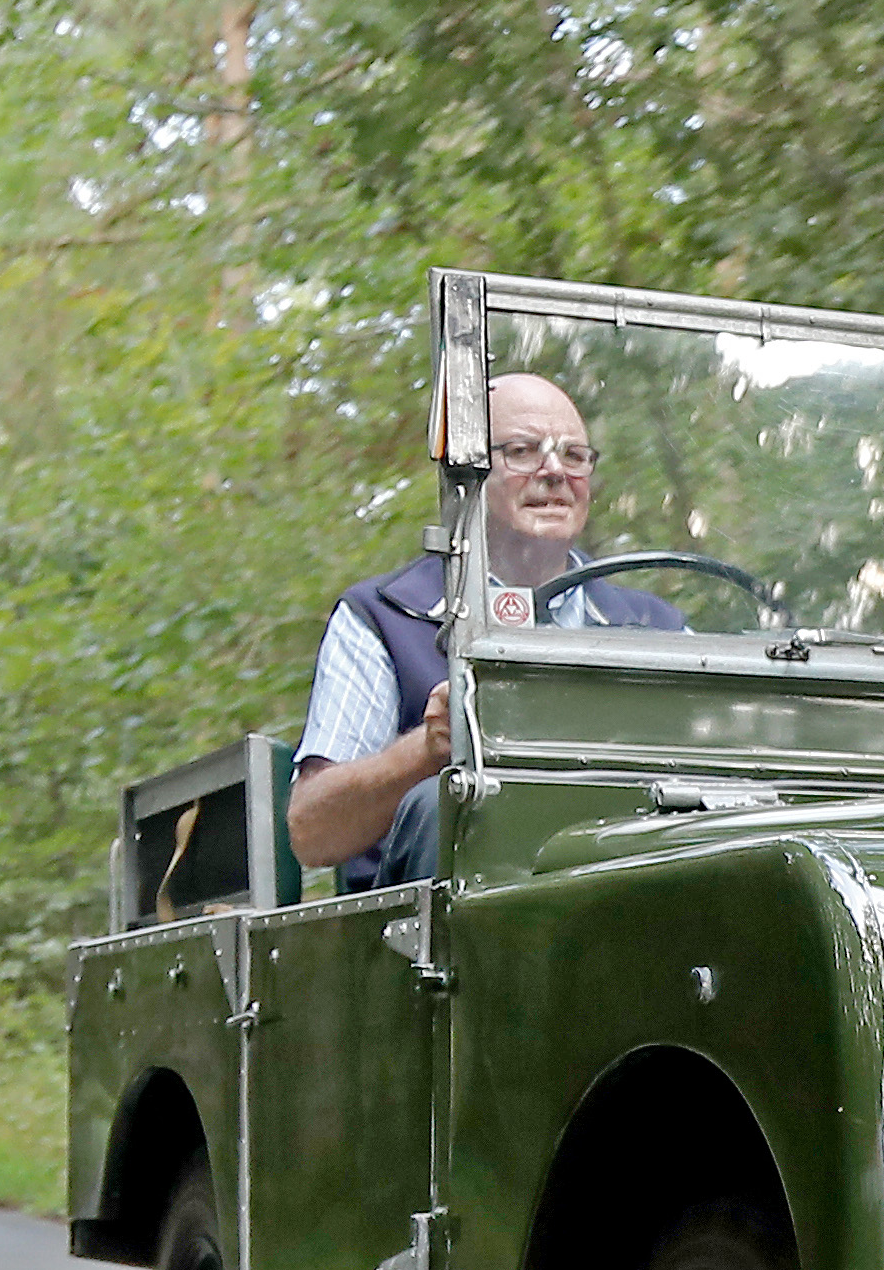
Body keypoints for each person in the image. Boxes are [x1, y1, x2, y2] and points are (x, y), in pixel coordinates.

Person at [286, 372, 688, 887]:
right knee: (449, 803)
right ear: (467, 476)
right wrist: (428, 749)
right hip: (420, 951)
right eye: (522, 451)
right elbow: (312, 832)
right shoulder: (383, 617)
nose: (554, 472)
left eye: (574, 455)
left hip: (622, 910)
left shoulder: (660, 630)